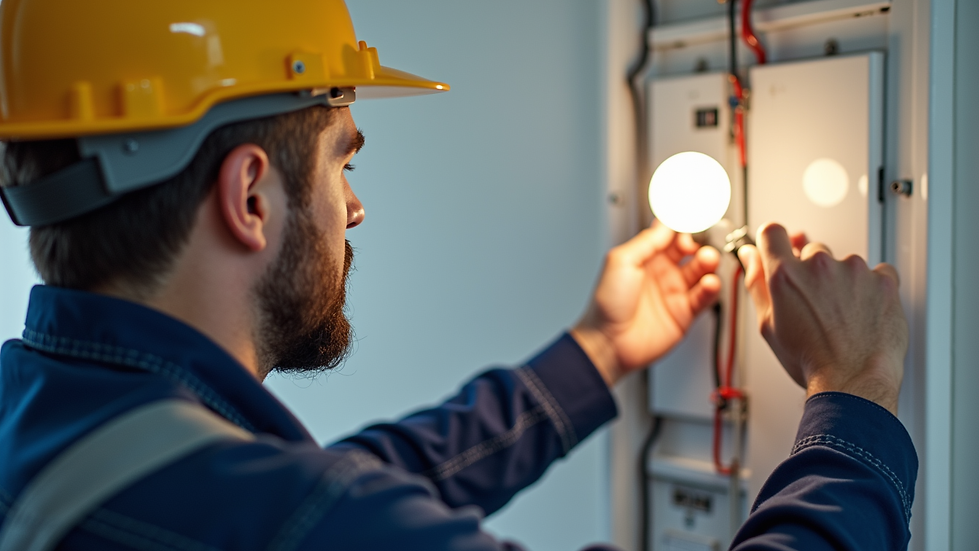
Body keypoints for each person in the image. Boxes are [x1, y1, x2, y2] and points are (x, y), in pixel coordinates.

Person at [0, 1, 915, 550]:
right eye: (341, 162)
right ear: (250, 196)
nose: (353, 207)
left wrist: (595, 353)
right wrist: (856, 399)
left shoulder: (38, 418)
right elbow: (328, 508)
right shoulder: (283, 518)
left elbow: (339, 482)